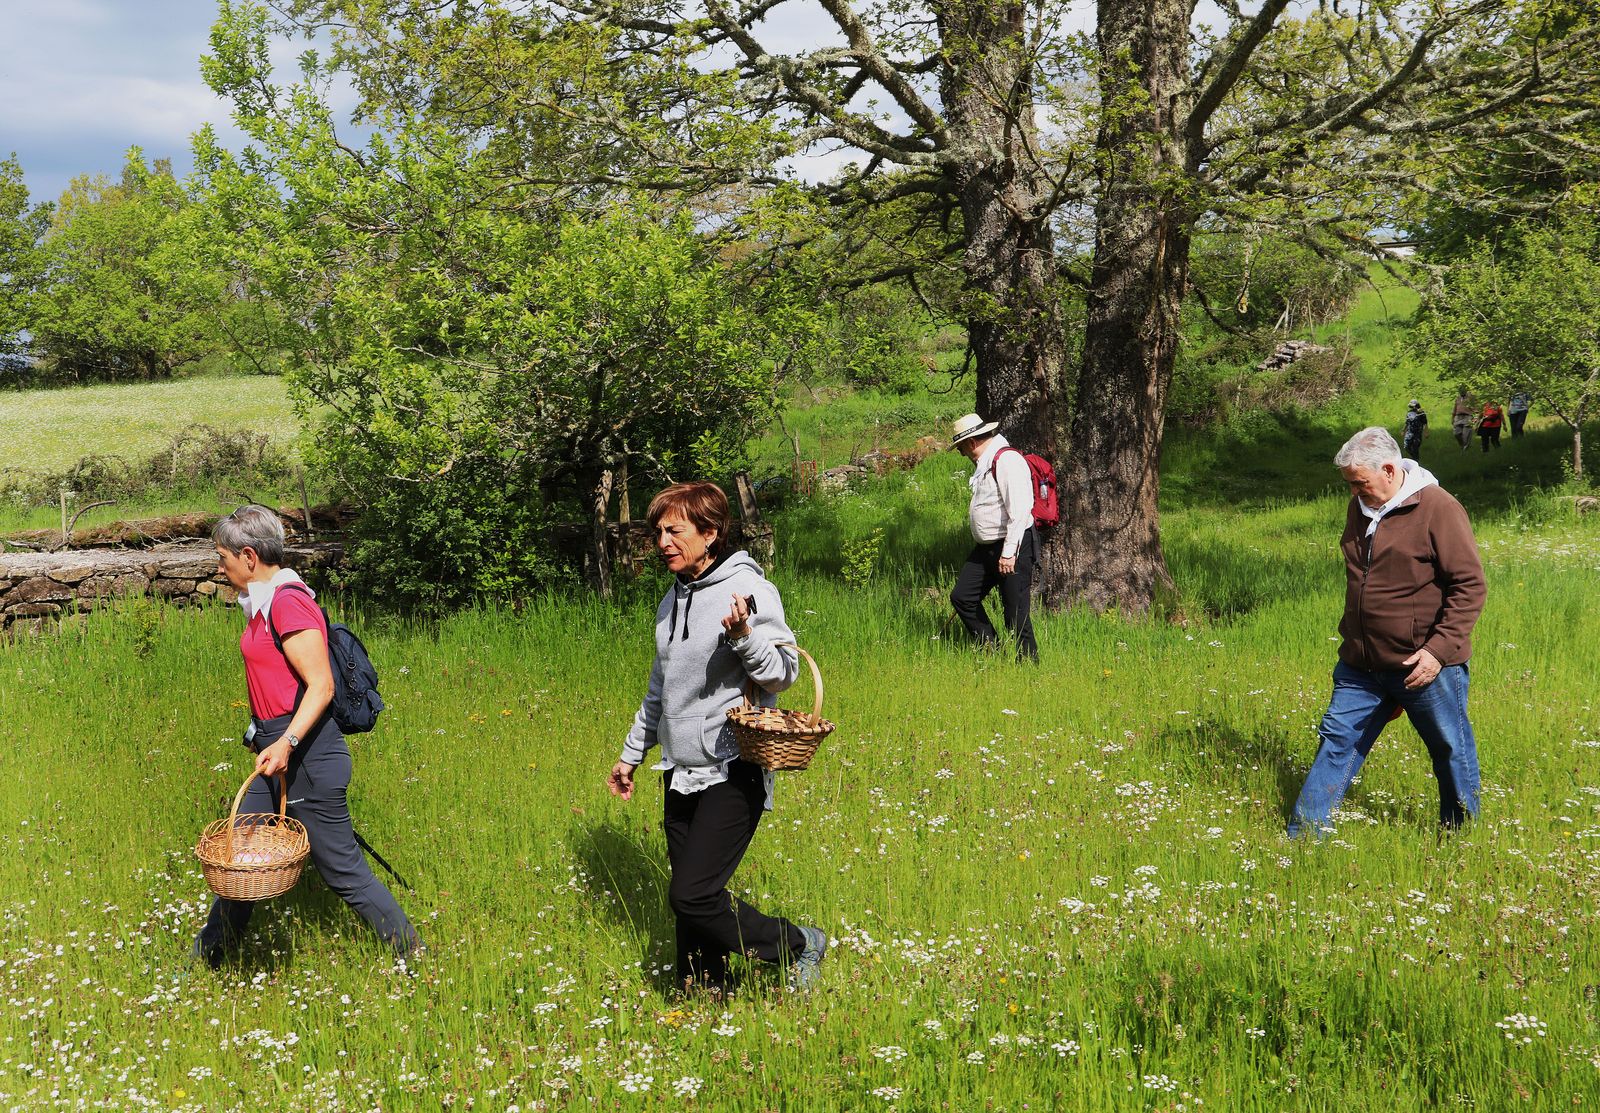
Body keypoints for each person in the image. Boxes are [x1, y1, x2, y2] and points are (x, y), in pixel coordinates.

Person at [607, 482, 826, 994]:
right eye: (658, 531)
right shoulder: (670, 599)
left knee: (693, 894)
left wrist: (744, 638)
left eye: (674, 530)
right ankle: (705, 993)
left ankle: (796, 944)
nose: (662, 541)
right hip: (680, 769)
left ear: (710, 533)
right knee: (694, 901)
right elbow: (660, 689)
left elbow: (784, 673)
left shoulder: (746, 589)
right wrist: (631, 754)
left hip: (733, 766)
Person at [193, 505, 422, 968]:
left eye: (223, 558)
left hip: (307, 757)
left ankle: (412, 954)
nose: (219, 568)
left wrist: (286, 743)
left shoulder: (288, 602)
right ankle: (209, 958)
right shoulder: (263, 604)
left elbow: (322, 686)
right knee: (244, 858)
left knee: (342, 870)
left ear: (250, 556)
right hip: (279, 753)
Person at [1286, 428, 1485, 838]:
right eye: (1351, 484)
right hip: (1361, 662)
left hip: (1423, 663)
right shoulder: (1359, 506)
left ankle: (1462, 836)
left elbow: (1469, 586)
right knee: (1337, 741)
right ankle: (1304, 838)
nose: (1355, 491)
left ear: (1390, 470)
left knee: (1450, 749)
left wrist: (1437, 652)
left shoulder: (1439, 508)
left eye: (1360, 482)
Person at [948, 413, 1039, 662]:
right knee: (963, 597)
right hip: (986, 548)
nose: (961, 454)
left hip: (1011, 547)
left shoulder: (1006, 460)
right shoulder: (986, 463)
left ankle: (1029, 668)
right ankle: (992, 650)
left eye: (960, 448)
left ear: (971, 443)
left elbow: (1020, 511)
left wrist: (1009, 553)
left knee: (1015, 614)